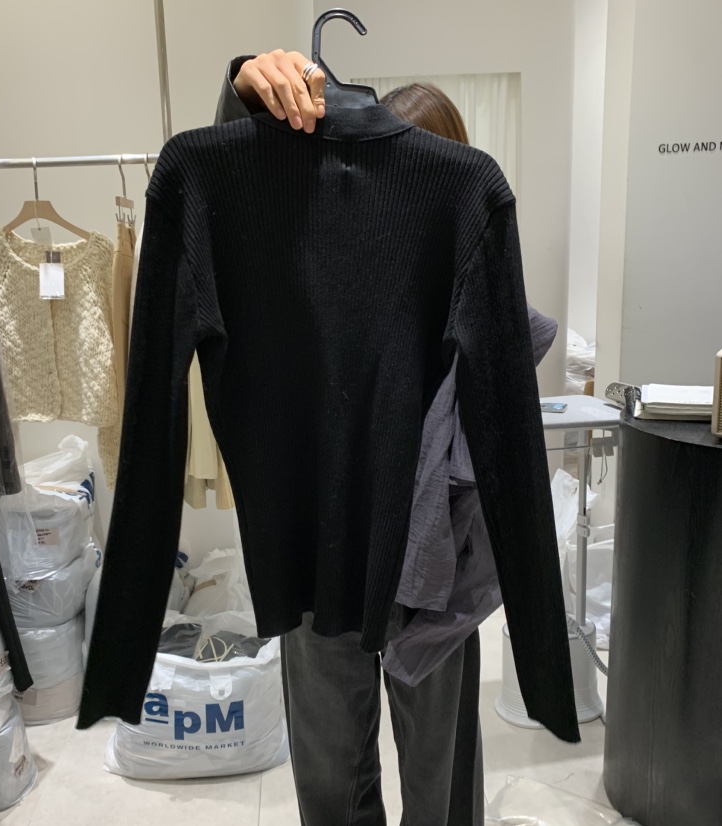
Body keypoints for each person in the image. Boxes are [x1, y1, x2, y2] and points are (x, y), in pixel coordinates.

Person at [210, 52, 561, 826]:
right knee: (332, 774)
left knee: (439, 779)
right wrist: (244, 86)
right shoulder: (314, 253)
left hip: (430, 564)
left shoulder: (474, 251)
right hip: (322, 550)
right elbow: (241, 209)